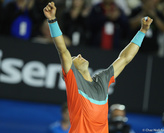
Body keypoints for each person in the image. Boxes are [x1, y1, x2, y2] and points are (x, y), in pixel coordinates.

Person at [43, 2, 152, 133]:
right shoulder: (74, 82)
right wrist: (52, 20)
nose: (78, 55)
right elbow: (63, 50)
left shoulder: (102, 80)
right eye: (74, 58)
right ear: (72, 70)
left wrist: (142, 31)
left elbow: (124, 59)